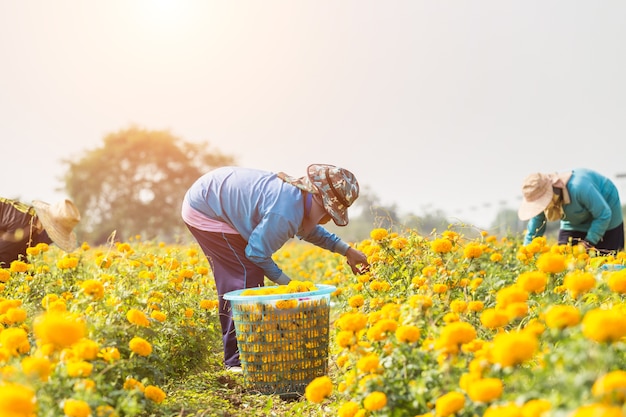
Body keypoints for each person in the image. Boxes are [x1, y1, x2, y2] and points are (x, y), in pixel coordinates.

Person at [181, 163, 370, 372]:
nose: (327, 221)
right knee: (245, 275)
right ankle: (236, 360)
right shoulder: (285, 212)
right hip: (206, 208)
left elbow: (310, 231)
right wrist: (290, 286)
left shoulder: (299, 199)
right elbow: (256, 253)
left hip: (216, 195)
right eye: (329, 214)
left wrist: (347, 251)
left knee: (250, 275)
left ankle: (250, 349)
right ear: (319, 201)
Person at [518, 168, 624, 252]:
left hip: (606, 211)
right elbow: (534, 230)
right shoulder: (542, 200)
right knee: (565, 257)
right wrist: (527, 253)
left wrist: (588, 243)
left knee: (606, 259)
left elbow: (603, 214)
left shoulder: (579, 187)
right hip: (574, 220)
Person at [0, 198, 81, 268]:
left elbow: (20, 257)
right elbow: (3, 259)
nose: (51, 240)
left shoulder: (33, 225)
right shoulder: (21, 227)